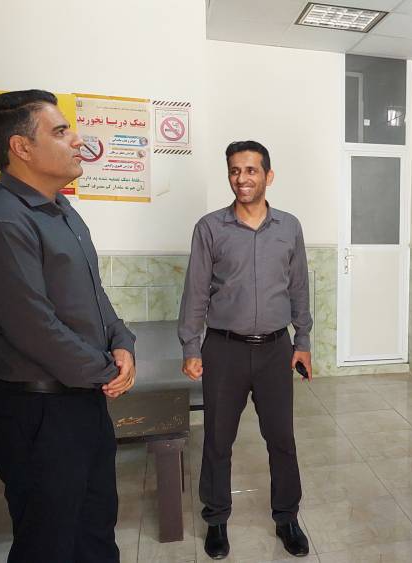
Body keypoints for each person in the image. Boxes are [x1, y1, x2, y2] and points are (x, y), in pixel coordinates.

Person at [0, 89, 136, 562]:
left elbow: (94, 296)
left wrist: (122, 343)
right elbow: (33, 327)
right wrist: (107, 371)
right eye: (60, 131)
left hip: (82, 402)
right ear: (21, 147)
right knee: (49, 544)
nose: (77, 140)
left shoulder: (63, 212)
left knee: (95, 531)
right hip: (38, 412)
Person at [178, 140, 312, 559]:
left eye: (251, 170)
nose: (242, 178)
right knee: (218, 440)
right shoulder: (210, 228)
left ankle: (287, 517)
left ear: (268, 176)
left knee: (281, 439)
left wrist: (303, 341)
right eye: (235, 170)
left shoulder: (289, 227)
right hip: (224, 349)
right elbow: (196, 292)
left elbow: (299, 288)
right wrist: (191, 346)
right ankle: (216, 519)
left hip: (275, 349)